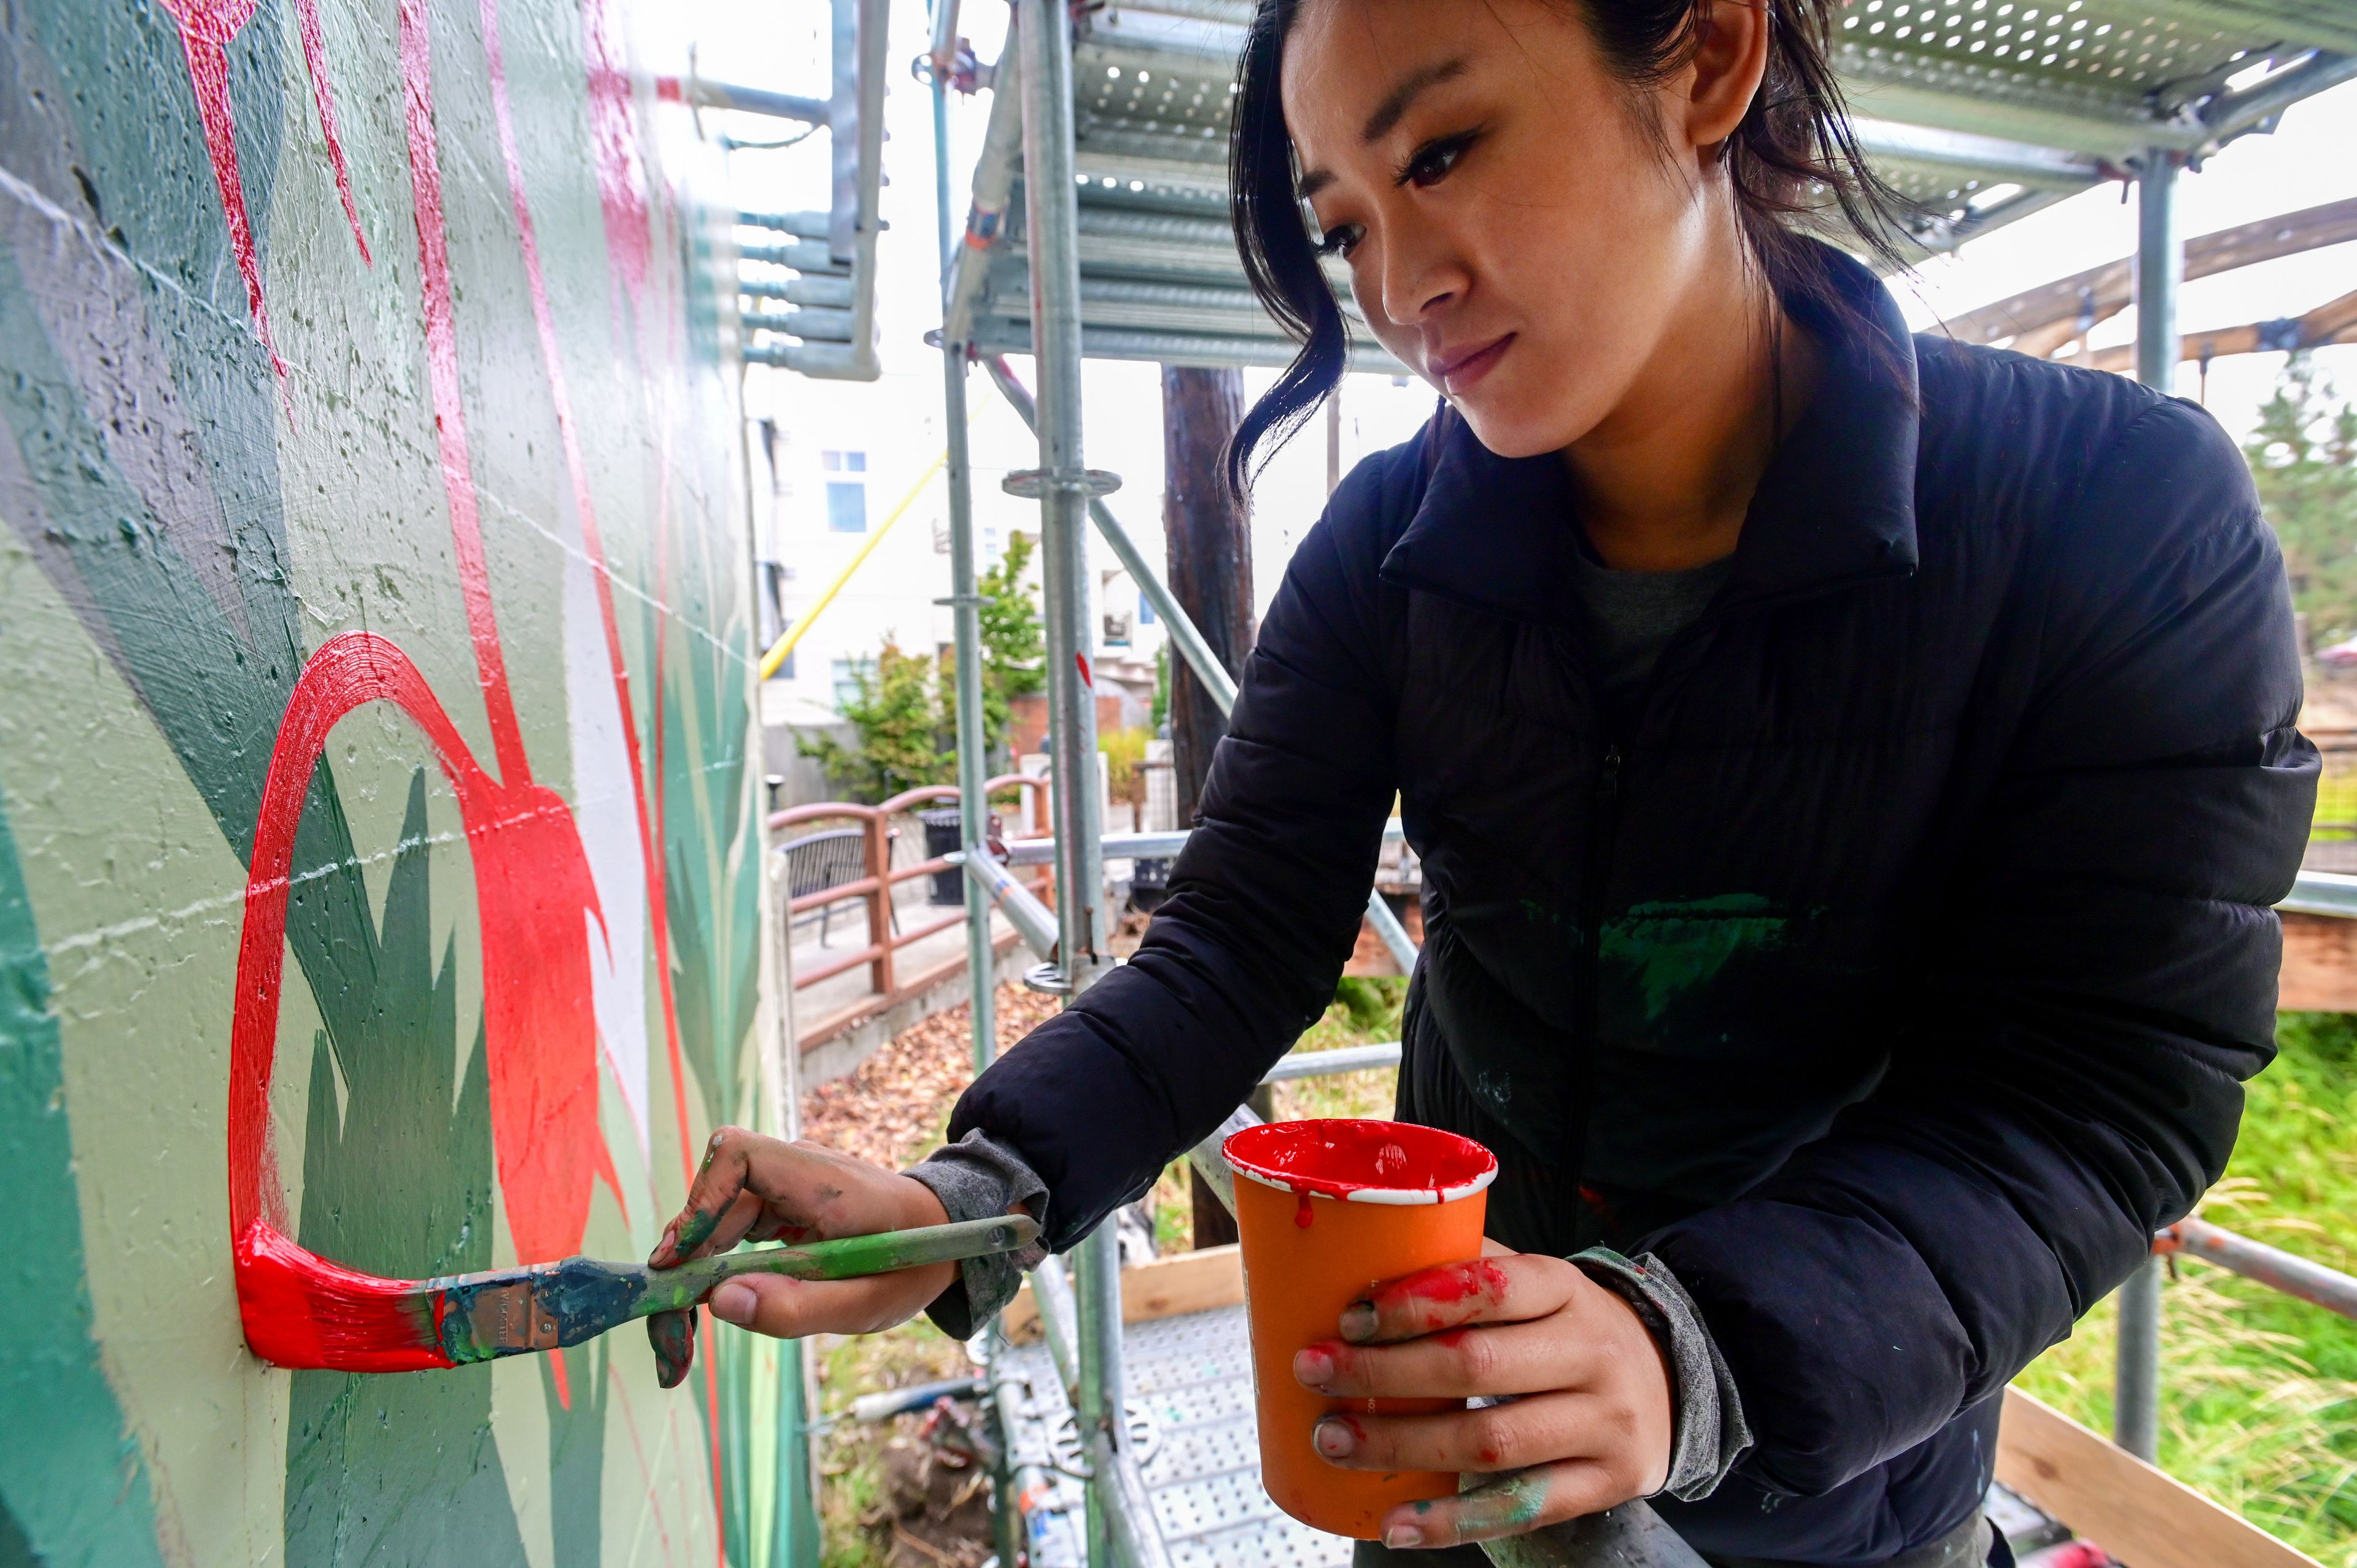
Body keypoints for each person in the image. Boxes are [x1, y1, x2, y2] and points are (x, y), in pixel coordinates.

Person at [649, 0, 2318, 1561]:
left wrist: (1692, 1338)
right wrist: (971, 1199)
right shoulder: (1389, 548)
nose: (1398, 286)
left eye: (1442, 153)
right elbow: (1240, 938)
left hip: (1837, 1469)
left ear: (1711, 59)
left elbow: (2099, 1090)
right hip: (1445, 1436)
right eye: (1347, 222)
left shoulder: (2115, 517)